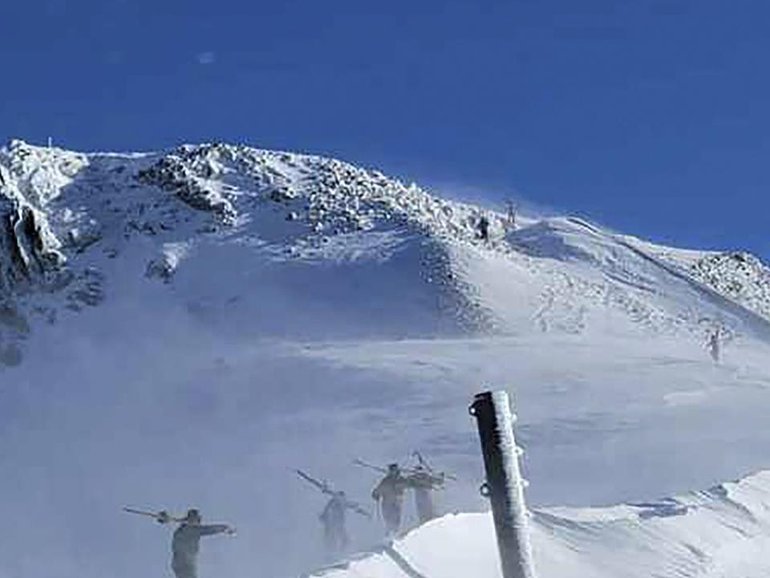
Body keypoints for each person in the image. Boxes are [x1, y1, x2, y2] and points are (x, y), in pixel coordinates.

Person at [171, 509, 233, 578]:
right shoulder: (192, 529)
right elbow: (208, 529)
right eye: (198, 520)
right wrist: (224, 528)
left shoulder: (181, 530)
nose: (199, 523)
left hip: (180, 563)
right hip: (185, 562)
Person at [371, 464, 409, 537]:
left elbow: (407, 484)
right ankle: (389, 533)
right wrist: (376, 494)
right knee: (388, 518)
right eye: (391, 470)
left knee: (396, 518)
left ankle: (395, 533)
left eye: (394, 470)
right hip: (387, 503)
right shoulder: (386, 480)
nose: (393, 472)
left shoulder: (400, 479)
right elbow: (379, 489)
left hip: (397, 502)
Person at [319, 491, 350, 556]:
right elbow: (326, 512)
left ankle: (341, 552)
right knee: (331, 538)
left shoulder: (341, 503)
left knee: (343, 538)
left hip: (338, 524)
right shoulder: (332, 503)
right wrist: (325, 517)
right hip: (332, 524)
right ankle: (331, 553)